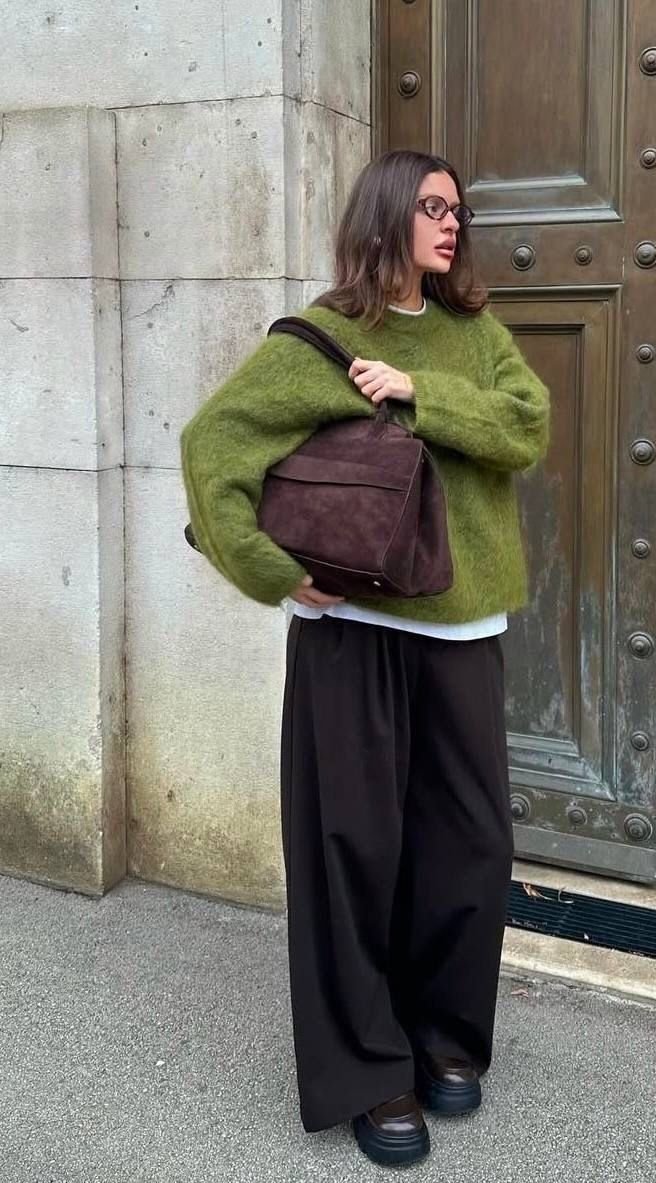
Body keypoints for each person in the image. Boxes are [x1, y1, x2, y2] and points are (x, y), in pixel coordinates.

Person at [179, 149, 550, 1167]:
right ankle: (369, 1070)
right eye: (431, 206)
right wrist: (270, 571)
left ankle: (443, 1035)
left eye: (458, 210)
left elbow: (525, 427)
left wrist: (420, 391)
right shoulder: (325, 336)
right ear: (385, 215)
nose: (451, 223)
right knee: (350, 853)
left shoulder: (475, 334)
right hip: (351, 634)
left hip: (462, 633)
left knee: (469, 846)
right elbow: (213, 448)